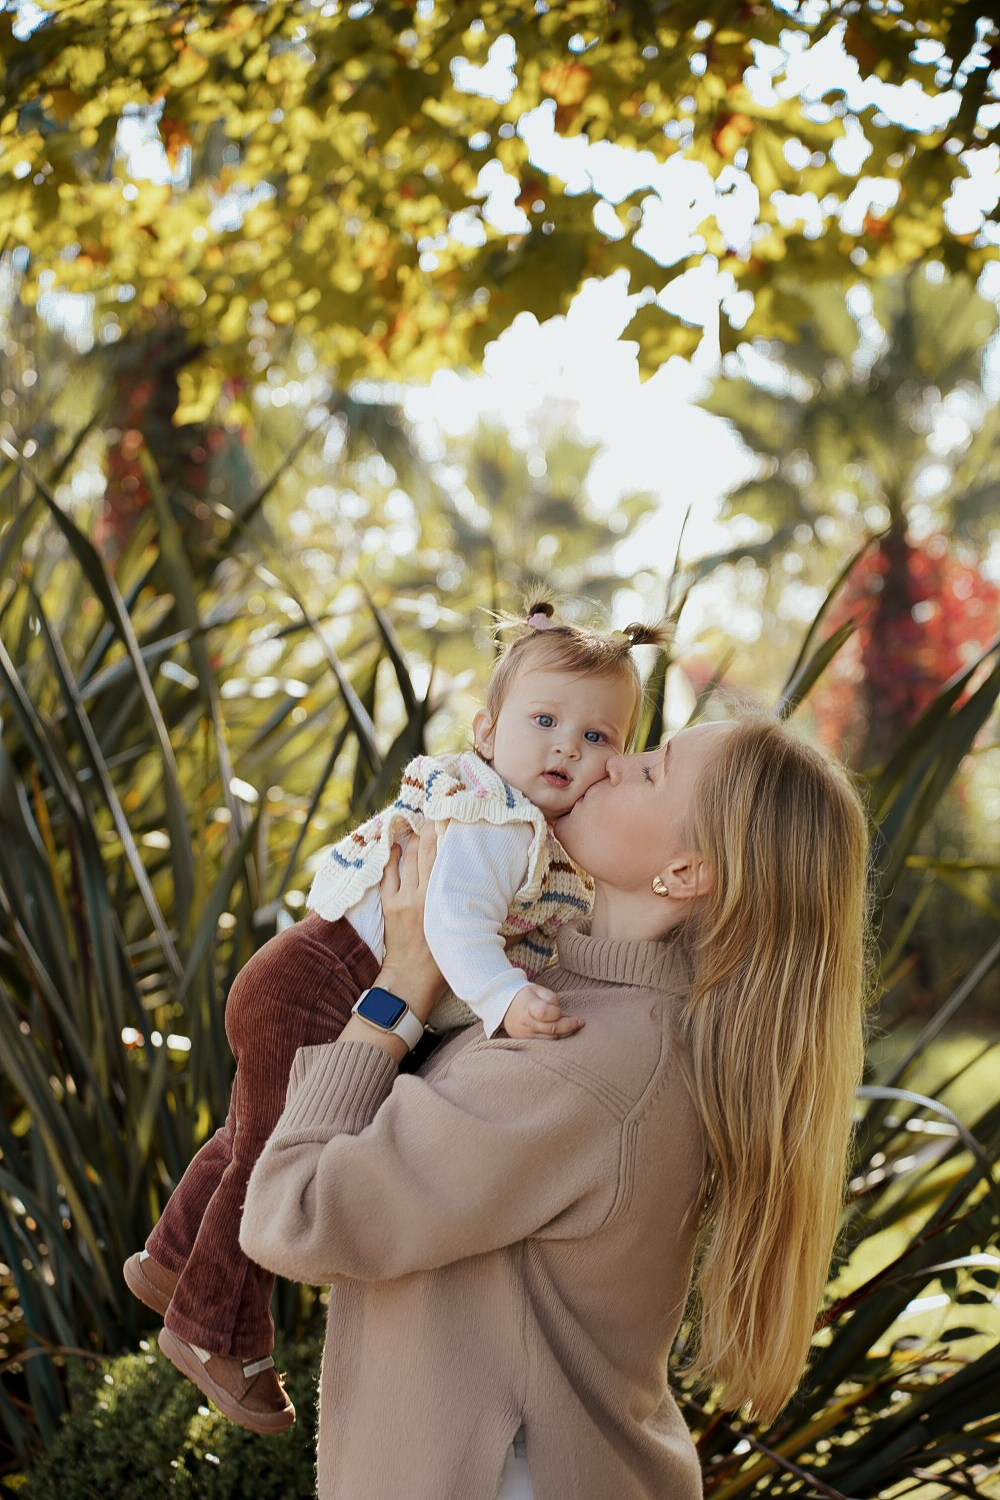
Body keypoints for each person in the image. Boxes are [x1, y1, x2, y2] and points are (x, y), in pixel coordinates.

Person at [239, 714, 871, 1500]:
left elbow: (295, 1217)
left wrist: (397, 992)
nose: (608, 764)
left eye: (650, 771)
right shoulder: (573, 1001)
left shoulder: (580, 1064)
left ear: (684, 873)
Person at [123, 603, 666, 1433]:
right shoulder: (495, 822)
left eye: (598, 738)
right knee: (273, 1156)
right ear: (487, 731)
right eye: (546, 721)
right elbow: (450, 928)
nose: (568, 747)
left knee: (248, 1134)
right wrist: (505, 1000)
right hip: (327, 982)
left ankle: (170, 1261)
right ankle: (215, 1333)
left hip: (304, 970)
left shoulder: (515, 823)